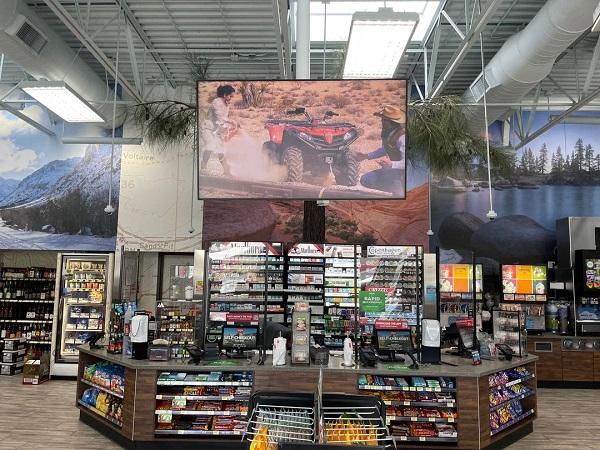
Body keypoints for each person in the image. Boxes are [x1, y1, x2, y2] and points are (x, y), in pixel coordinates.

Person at [359, 105, 406, 196]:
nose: (381, 121)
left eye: (384, 120)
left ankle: (399, 189)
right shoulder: (388, 133)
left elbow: (407, 163)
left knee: (399, 195)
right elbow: (385, 150)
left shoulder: (402, 137)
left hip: (401, 173)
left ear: (391, 122)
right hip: (390, 171)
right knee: (366, 179)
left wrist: (391, 164)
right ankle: (394, 187)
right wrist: (366, 156)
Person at [200, 84, 237, 175]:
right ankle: (203, 168)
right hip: (208, 129)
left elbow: (223, 120)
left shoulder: (226, 105)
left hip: (216, 130)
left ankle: (226, 169)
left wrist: (232, 125)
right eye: (230, 96)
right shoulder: (216, 102)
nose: (230, 98)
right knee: (210, 146)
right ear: (225, 95)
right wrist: (232, 123)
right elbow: (220, 118)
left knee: (221, 149)